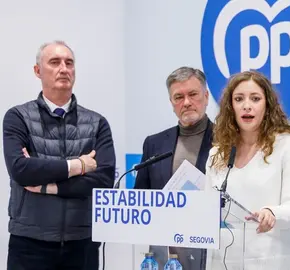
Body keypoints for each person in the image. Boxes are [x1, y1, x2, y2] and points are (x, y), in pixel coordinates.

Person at [2, 40, 116, 270]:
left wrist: (49, 186)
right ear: (38, 71)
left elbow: (103, 179)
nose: (64, 68)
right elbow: (21, 171)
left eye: (69, 63)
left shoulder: (97, 123)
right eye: (54, 62)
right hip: (29, 243)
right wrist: (78, 166)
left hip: (82, 243)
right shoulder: (17, 117)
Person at [204, 70, 290, 269]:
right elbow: (207, 210)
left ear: (267, 105)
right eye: (239, 99)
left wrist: (272, 212)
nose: (247, 105)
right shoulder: (217, 154)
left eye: (255, 99)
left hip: (270, 258)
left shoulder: (289, 146)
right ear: (231, 107)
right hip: (222, 261)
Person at [134, 66, 213, 269]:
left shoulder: (228, 140)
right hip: (164, 253)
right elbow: (140, 197)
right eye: (178, 97)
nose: (186, 102)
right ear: (171, 103)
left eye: (193, 94)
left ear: (206, 96)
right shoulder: (154, 143)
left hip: (211, 251)